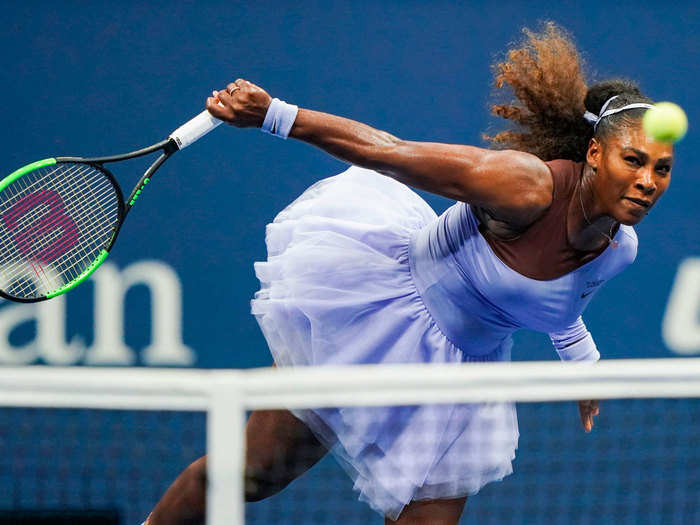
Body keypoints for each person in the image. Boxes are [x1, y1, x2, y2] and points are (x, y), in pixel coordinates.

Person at [145, 23, 674, 525]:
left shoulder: (619, 247)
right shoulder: (524, 188)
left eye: (662, 168)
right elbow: (389, 152)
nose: (648, 181)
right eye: (634, 160)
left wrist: (582, 364)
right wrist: (273, 114)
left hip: (459, 382)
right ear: (595, 153)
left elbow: (560, 300)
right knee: (249, 474)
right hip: (378, 322)